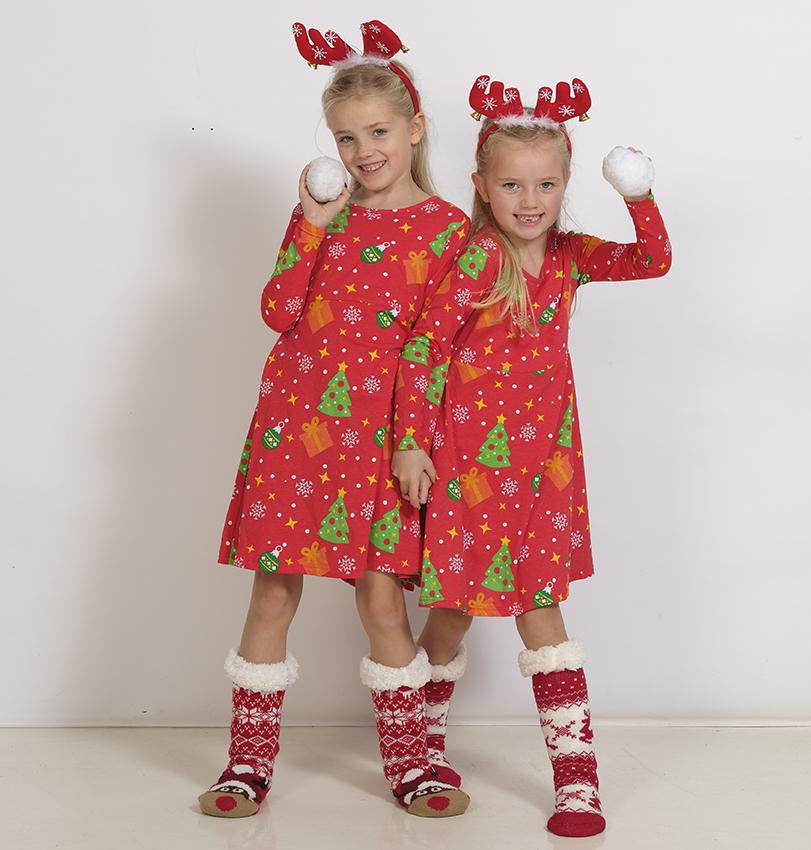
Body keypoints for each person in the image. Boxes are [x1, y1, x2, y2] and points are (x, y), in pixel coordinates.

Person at [198, 21, 470, 819]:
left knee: (383, 601)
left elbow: (431, 349)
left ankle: (412, 765)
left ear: (414, 129)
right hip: (297, 422)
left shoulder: (450, 230)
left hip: (383, 438)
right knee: (273, 594)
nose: (363, 151)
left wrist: (414, 440)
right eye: (347, 137)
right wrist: (310, 222)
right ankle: (246, 766)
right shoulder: (326, 211)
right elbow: (278, 311)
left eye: (378, 132)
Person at [391, 74, 672, 837]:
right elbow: (422, 349)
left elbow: (653, 261)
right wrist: (412, 441)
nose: (529, 200)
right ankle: (418, 749)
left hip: (544, 475)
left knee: (542, 612)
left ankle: (577, 784)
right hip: (468, 472)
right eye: (512, 184)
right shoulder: (479, 260)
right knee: (448, 618)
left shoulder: (573, 257)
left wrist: (637, 193)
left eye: (546, 184)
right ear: (481, 185)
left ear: (565, 184)